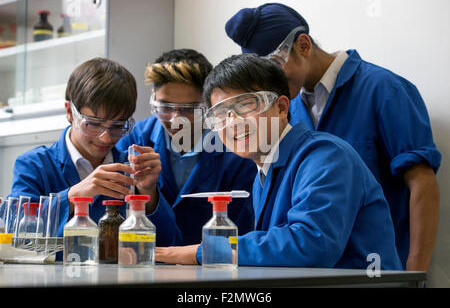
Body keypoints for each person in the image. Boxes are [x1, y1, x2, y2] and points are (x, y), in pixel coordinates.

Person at [224, 3, 441, 271]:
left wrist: (415, 272)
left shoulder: (384, 90)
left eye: (274, 66)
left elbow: (422, 184)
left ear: (303, 45)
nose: (269, 80)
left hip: (373, 271)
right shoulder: (286, 108)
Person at [155, 53, 403, 270]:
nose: (232, 122)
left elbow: (311, 243)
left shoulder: (326, 156)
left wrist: (201, 251)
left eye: (245, 105)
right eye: (221, 114)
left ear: (282, 107)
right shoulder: (265, 168)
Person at [6, 58, 178, 245]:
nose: (105, 137)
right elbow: (16, 233)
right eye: (93, 124)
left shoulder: (131, 169)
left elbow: (169, 243)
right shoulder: (34, 165)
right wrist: (72, 196)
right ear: (70, 113)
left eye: (118, 126)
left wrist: (149, 193)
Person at [116, 49, 257, 245]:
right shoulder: (133, 140)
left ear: (209, 104)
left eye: (190, 109)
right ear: (153, 98)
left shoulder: (236, 149)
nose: (176, 119)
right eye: (165, 107)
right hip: (146, 262)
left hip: (214, 266)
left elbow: (241, 231)